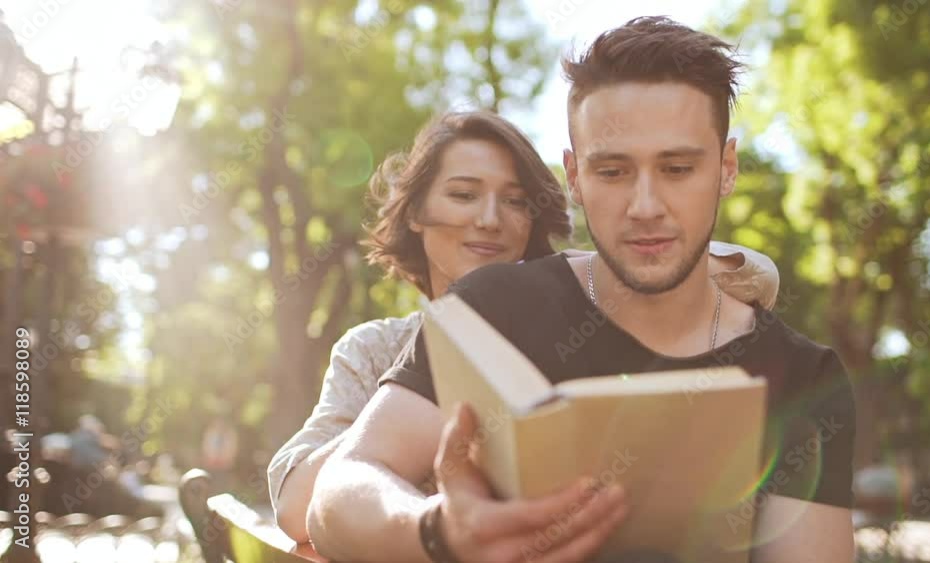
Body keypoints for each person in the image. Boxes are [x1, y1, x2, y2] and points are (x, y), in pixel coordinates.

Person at [305, 16, 857, 563]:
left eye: (678, 168)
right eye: (613, 172)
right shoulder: (493, 309)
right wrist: (439, 531)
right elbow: (340, 488)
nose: (645, 206)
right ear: (573, 175)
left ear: (726, 168)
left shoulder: (806, 378)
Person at [268, 110, 782, 543]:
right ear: (418, 213)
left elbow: (758, 276)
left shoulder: (566, 327)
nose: (491, 220)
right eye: (465, 195)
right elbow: (296, 505)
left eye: (515, 202)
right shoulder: (374, 348)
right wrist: (425, 388)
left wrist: (601, 265)